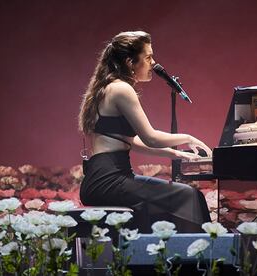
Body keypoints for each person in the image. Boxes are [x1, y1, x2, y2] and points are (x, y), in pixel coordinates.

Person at [78, 31, 212, 232]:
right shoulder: (121, 89)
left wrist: (176, 153)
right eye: (148, 57)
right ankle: (197, 258)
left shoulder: (108, 87)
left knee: (176, 199)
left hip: (102, 177)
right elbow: (150, 137)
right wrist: (188, 137)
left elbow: (133, 141)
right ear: (130, 62)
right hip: (109, 179)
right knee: (189, 196)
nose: (153, 63)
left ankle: (172, 257)